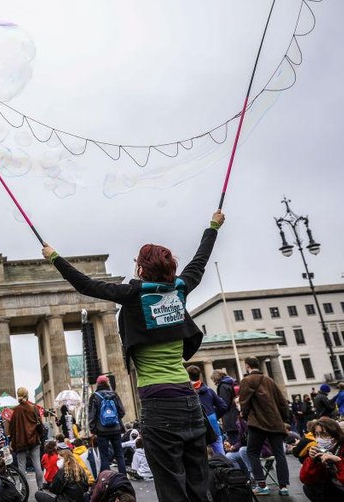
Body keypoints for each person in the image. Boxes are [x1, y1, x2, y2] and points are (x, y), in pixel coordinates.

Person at [42, 209, 225, 502]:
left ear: (141, 269)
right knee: (199, 487)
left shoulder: (132, 295)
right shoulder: (179, 289)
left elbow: (85, 285)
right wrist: (213, 226)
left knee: (170, 487)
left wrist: (53, 256)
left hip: (158, 403)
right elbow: (200, 260)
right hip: (189, 401)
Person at [237, 355, 291, 497]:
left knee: (252, 452)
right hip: (275, 423)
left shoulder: (246, 381)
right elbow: (282, 403)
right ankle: (284, 487)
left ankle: (262, 484)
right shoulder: (270, 380)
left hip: (257, 423)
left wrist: (244, 415)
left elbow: (244, 403)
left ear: (247, 365)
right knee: (280, 454)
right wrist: (284, 419)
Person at [87, 374, 126, 474]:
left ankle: (108, 481)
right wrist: (114, 419)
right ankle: (123, 478)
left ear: (98, 384)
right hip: (116, 429)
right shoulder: (114, 394)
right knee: (119, 455)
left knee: (104, 456)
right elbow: (122, 411)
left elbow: (92, 415)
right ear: (107, 383)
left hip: (101, 431)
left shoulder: (94, 396)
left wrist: (92, 429)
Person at [8, 386, 44, 490]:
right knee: (37, 465)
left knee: (21, 468)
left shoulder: (15, 411)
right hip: (34, 440)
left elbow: (12, 429)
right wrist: (39, 436)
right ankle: (40, 487)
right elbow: (40, 424)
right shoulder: (33, 408)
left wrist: (11, 441)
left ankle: (23, 489)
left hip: (20, 443)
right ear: (27, 395)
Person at [187, 365, 227, 455]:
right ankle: (226, 467)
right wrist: (214, 416)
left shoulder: (187, 392)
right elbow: (223, 406)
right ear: (199, 375)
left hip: (195, 425)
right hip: (212, 422)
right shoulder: (208, 390)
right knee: (219, 450)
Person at [210, 369, 239, 444]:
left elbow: (224, 404)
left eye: (213, 379)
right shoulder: (232, 382)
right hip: (237, 416)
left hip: (231, 420)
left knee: (234, 443)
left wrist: (217, 415)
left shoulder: (223, 386)